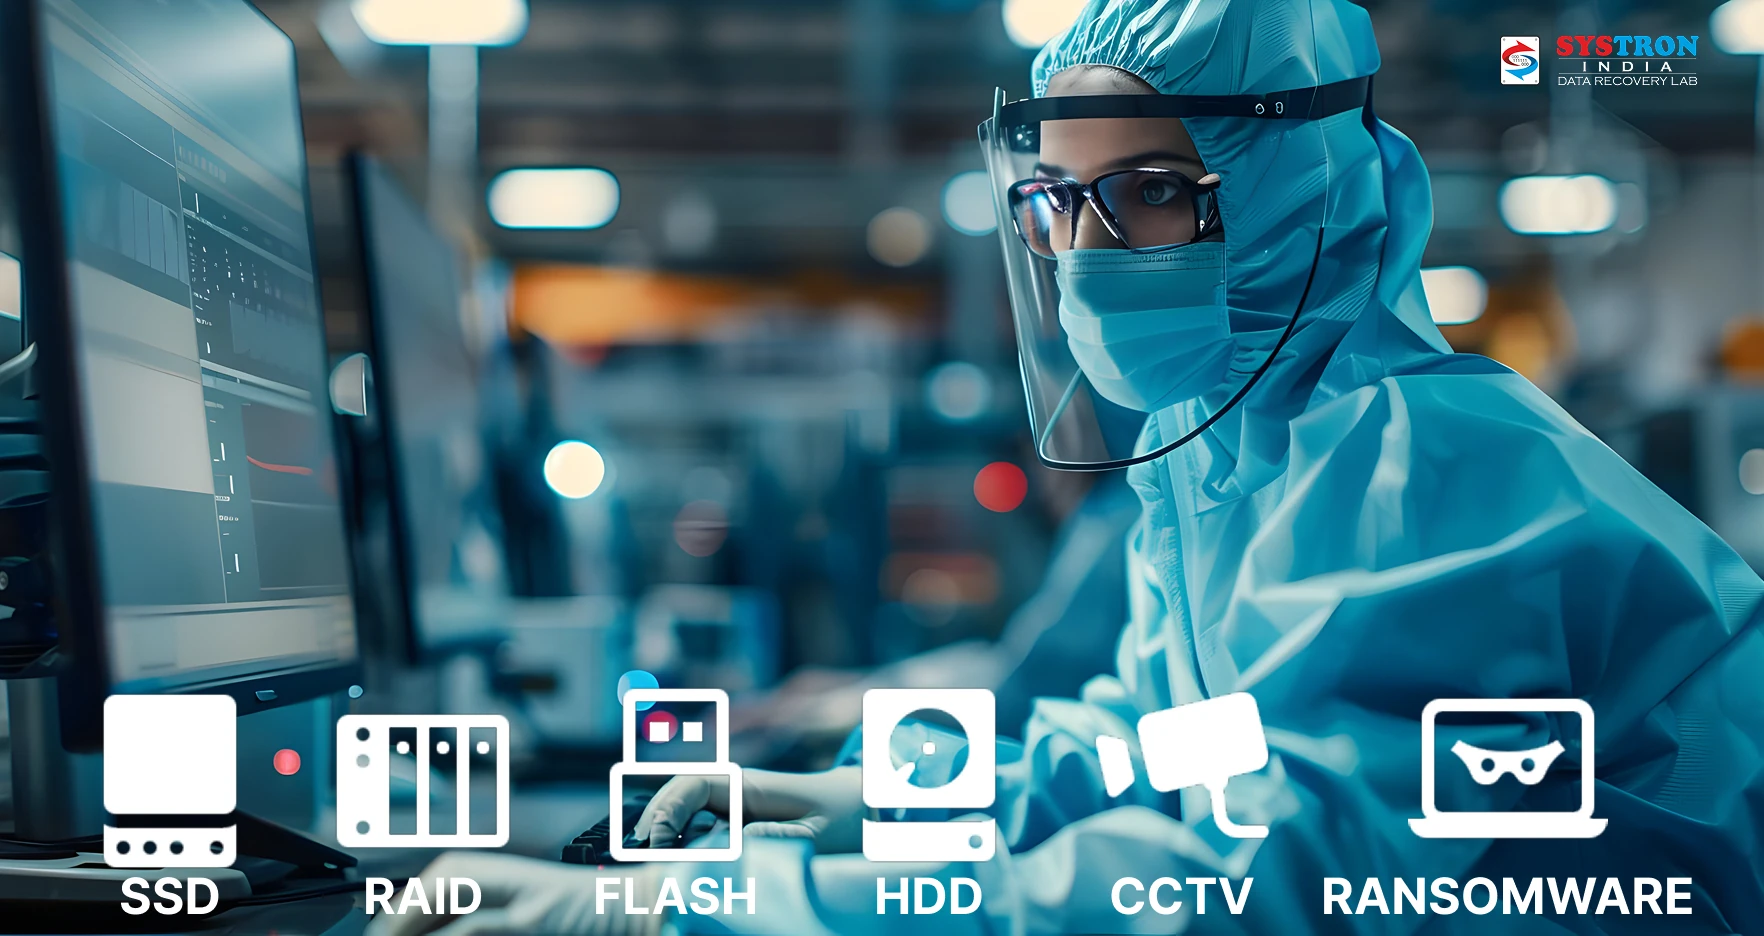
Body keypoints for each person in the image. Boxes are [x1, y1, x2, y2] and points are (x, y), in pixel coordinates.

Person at [375, 1, 1764, 932]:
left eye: (1156, 190)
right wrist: (894, 796)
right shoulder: (1218, 466)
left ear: (1300, 187)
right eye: (1056, 200)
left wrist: (716, 904)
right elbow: (1175, 749)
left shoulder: (1429, 475)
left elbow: (1254, 878)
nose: (1088, 254)